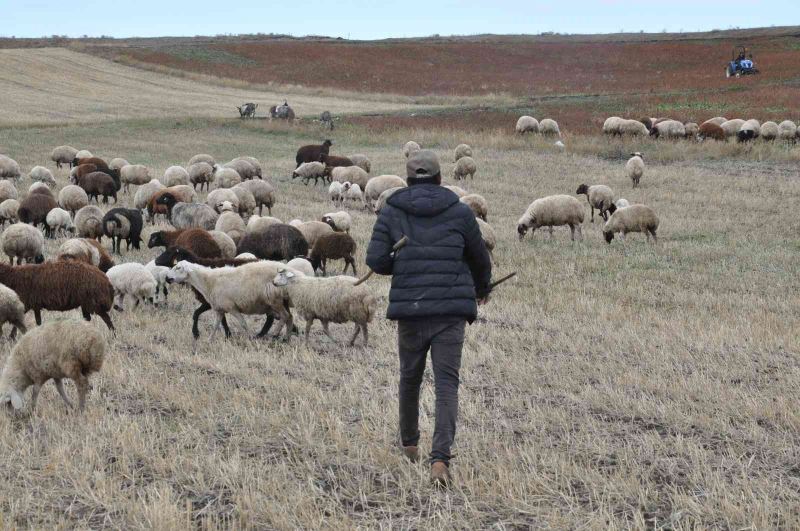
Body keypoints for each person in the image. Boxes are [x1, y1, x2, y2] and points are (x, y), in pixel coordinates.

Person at [366, 149, 492, 487]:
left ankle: (409, 446)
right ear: (439, 178)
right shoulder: (460, 211)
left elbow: (376, 260)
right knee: (447, 384)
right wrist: (482, 288)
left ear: (407, 180)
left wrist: (402, 266)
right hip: (450, 311)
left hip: (412, 309)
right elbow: (480, 258)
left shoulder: (393, 210)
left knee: (410, 378)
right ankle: (440, 461)